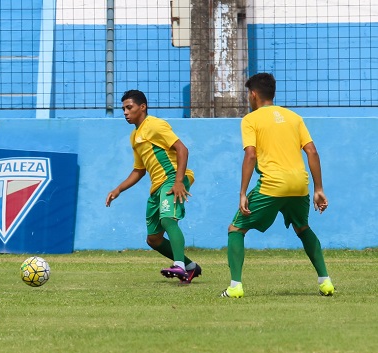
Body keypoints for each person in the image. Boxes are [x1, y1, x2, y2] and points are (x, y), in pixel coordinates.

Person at [220, 72, 334, 298]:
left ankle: (235, 287)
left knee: (235, 229)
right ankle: (326, 282)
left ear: (253, 95)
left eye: (247, 95)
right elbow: (311, 151)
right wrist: (318, 189)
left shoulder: (251, 120)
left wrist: (243, 192)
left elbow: (250, 155)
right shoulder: (293, 117)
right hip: (299, 184)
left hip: (272, 185)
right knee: (303, 228)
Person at [106, 90, 202, 284]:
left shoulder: (155, 125)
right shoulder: (135, 137)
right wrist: (118, 189)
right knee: (154, 240)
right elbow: (139, 170)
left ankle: (179, 266)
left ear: (142, 107)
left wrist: (178, 181)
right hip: (157, 187)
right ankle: (190, 267)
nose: (125, 112)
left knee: (168, 219)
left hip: (172, 179)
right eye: (123, 108)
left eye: (129, 107)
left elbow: (182, 149)